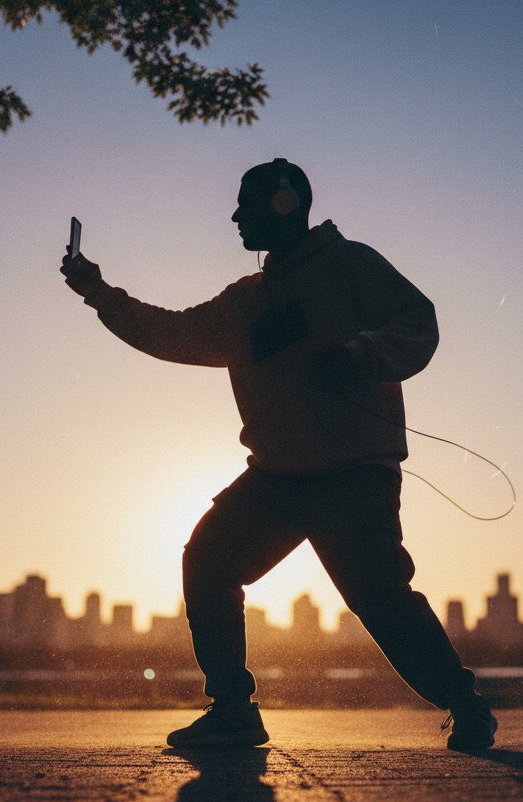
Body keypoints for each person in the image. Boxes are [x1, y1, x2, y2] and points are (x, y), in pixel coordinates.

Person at [60, 158, 497, 751]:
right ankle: (234, 710)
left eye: (246, 203)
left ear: (286, 205)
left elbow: (417, 321)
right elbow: (170, 333)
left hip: (353, 476)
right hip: (276, 480)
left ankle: (465, 704)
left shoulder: (352, 265)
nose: (235, 215)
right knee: (209, 559)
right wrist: (99, 294)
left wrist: (363, 352)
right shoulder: (243, 302)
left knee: (381, 598)